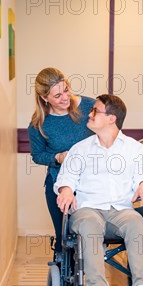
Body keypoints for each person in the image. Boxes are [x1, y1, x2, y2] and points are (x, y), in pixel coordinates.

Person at [54, 94, 143, 286]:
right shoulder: (79, 149)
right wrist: (65, 190)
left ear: (111, 118)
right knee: (90, 224)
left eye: (95, 111)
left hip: (121, 210)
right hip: (87, 210)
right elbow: (67, 178)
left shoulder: (135, 149)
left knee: (137, 223)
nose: (89, 115)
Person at [28, 68, 95, 256]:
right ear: (44, 97)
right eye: (57, 95)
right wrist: (57, 158)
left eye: (66, 90)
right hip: (58, 182)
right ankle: (63, 282)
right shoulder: (39, 124)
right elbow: (38, 155)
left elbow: (110, 130)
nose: (65, 98)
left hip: (92, 182)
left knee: (90, 232)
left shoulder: (90, 106)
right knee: (64, 236)